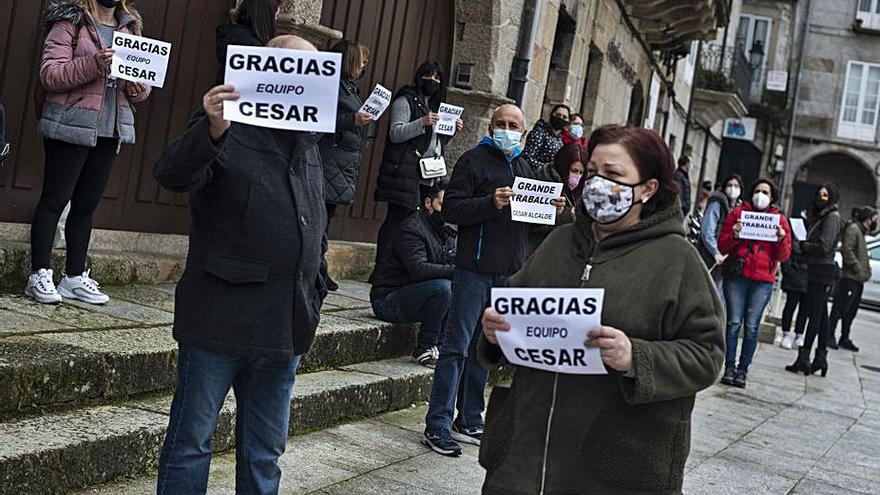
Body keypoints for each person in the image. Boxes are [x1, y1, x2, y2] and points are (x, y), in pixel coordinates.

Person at [478, 125, 724, 494]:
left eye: (613, 175)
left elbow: (707, 355)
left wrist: (635, 357)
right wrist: (495, 331)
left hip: (613, 470)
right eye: (592, 172)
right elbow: (514, 309)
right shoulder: (559, 242)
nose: (596, 184)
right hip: (522, 466)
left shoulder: (678, 261)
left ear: (647, 188)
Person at [153, 35, 328, 495]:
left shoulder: (309, 138)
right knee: (191, 443)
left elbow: (312, 215)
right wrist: (211, 130)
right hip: (220, 318)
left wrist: (316, 283)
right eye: (290, 67)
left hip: (284, 325)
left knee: (265, 452)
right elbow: (172, 174)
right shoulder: (227, 122)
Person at [422, 104, 564, 457]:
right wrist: (490, 202)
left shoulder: (525, 167)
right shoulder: (472, 160)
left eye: (513, 125)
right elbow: (452, 210)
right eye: (500, 123)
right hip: (474, 270)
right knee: (455, 347)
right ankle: (437, 423)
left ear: (524, 131)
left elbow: (529, 225)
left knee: (484, 351)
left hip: (507, 274)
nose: (506, 129)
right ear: (490, 126)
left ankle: (470, 418)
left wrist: (553, 212)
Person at [26, 0, 151, 305]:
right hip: (71, 123)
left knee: (86, 205)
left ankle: (73, 277)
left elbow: (144, 85)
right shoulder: (70, 20)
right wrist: (95, 63)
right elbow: (50, 75)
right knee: (55, 200)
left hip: (110, 129)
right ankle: (39, 274)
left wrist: (138, 87)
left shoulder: (130, 26)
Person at [373, 61, 461, 273]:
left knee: (416, 222)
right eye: (428, 76)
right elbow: (396, 133)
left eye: (438, 77)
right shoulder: (405, 100)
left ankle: (401, 267)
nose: (433, 81)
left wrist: (451, 131)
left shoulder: (435, 106)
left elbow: (435, 143)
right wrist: (421, 122)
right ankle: (381, 268)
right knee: (396, 219)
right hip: (404, 173)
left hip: (428, 175)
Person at [370, 183, 455, 368]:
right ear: (428, 202)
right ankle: (424, 347)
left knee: (457, 286)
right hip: (387, 300)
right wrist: (455, 270)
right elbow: (419, 269)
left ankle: (441, 345)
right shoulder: (412, 228)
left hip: (413, 295)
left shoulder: (445, 232)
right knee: (444, 288)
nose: (446, 212)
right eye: (442, 205)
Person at [718, 178, 791, 388]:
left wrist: (780, 238)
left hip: (762, 281)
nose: (761, 195)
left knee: (751, 327)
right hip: (738, 277)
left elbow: (784, 255)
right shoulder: (738, 214)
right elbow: (723, 245)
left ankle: (743, 370)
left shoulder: (779, 220)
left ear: (772, 197)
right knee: (733, 324)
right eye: (758, 191)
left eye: (766, 192)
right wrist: (734, 235)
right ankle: (729, 367)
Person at [319, 39, 372, 291]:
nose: (364, 66)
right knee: (320, 217)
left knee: (325, 218)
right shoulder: (333, 87)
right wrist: (353, 119)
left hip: (340, 163)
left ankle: (318, 268)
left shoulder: (349, 89)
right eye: (362, 60)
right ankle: (316, 270)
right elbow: (321, 118)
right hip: (329, 161)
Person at [785, 184, 844, 377]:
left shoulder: (832, 217)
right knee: (822, 316)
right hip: (817, 268)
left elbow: (825, 246)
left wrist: (804, 246)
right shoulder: (823, 216)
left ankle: (804, 358)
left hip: (822, 269)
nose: (822, 197)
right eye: (820, 194)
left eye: (826, 195)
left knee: (814, 315)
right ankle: (820, 358)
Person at [829, 206, 878, 352]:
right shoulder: (853, 230)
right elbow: (847, 250)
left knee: (850, 311)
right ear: (867, 219)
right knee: (840, 307)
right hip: (850, 278)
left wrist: (865, 272)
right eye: (873, 220)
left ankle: (845, 337)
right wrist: (858, 269)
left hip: (858, 280)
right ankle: (829, 335)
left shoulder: (861, 232)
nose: (874, 223)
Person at [527, 142, 587, 255]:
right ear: (563, 166)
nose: (577, 176)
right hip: (537, 251)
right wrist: (569, 215)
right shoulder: (542, 181)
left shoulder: (579, 189)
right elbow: (534, 225)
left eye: (581, 173)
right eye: (573, 171)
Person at [698, 174, 744, 300]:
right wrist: (715, 252)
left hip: (726, 259)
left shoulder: (736, 208)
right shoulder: (717, 203)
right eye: (730, 185)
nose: (733, 188)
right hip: (712, 257)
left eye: (736, 186)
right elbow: (707, 231)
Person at [215, 0, 280, 84]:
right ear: (267, 17)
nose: (275, 20)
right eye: (274, 16)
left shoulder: (231, 36)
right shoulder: (253, 47)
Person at [779, 234, 809, 350]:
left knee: (804, 308)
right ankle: (786, 334)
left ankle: (799, 334)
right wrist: (788, 269)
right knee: (791, 305)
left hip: (806, 273)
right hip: (795, 272)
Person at [520, 104, 570, 170]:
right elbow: (527, 157)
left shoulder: (559, 139)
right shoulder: (539, 132)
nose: (560, 118)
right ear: (551, 115)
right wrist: (549, 169)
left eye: (564, 117)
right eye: (558, 115)